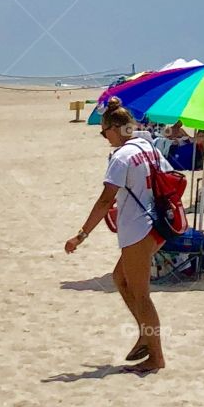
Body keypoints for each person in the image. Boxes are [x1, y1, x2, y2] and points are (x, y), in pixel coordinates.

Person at [64, 96, 167, 373]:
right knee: (120, 279)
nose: (104, 138)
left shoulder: (122, 157)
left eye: (103, 132)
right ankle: (146, 336)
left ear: (113, 128)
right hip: (157, 226)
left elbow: (104, 200)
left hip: (138, 229)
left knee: (141, 294)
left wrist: (81, 235)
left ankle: (156, 355)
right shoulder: (151, 149)